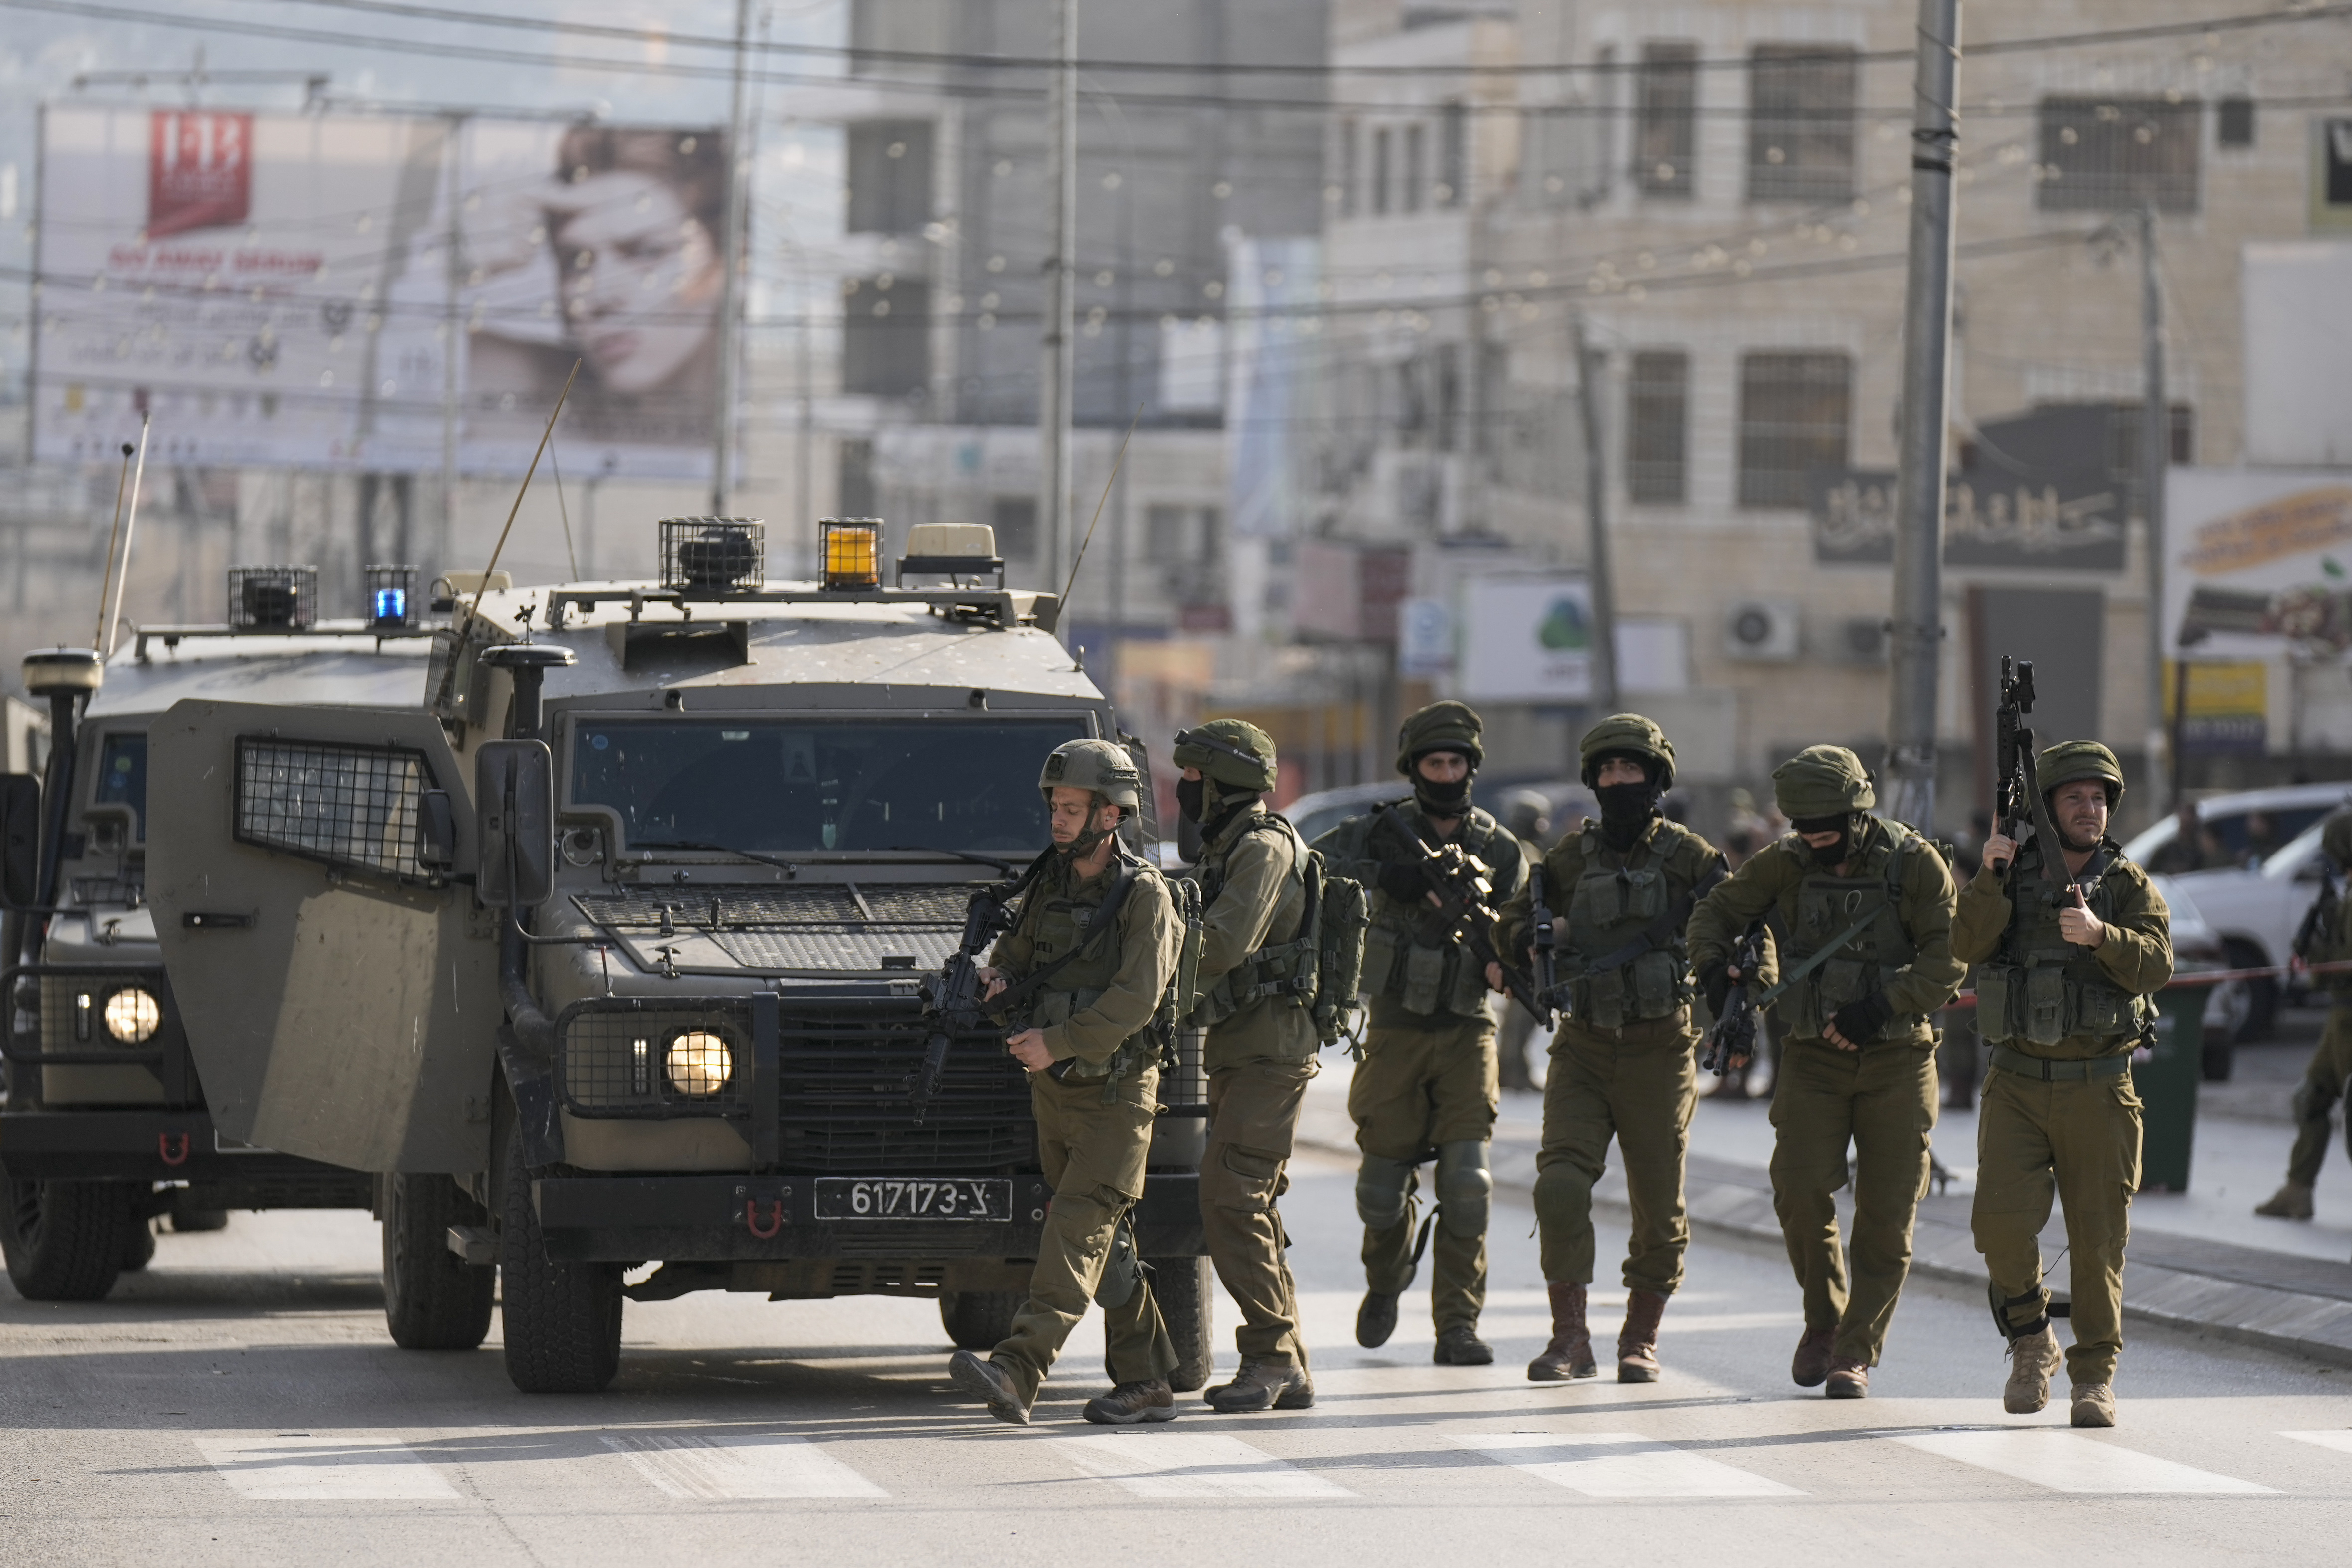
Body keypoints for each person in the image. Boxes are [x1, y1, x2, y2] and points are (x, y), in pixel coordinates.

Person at [1688, 745, 1963, 1400]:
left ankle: (1856, 1350)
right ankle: (1824, 1316)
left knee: (1887, 1210)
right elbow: (1717, 911)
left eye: (1826, 822)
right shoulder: (1785, 861)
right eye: (1802, 822)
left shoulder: (1913, 862)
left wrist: (1882, 1005)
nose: (1814, 835)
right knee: (1799, 1188)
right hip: (1812, 1055)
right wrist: (1711, 969)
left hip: (1898, 1056)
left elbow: (1953, 953)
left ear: (1858, 811)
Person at [1494, 714, 1752, 1384]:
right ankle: (1569, 1337)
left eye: (1629, 770)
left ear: (1655, 779)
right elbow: (1516, 920)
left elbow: (1743, 929)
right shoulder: (1569, 858)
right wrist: (1534, 934)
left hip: (1659, 1047)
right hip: (1582, 1045)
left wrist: (1745, 1002)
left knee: (1658, 1203)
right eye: (1606, 771)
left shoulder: (1692, 856)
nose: (1617, 781)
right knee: (1557, 1185)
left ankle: (1640, 1337)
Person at [946, 740, 1185, 1426]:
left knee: (1075, 1233)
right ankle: (1147, 1379)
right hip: (1055, 1092)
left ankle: (1018, 1369)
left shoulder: (1145, 897)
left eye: (1073, 809)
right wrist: (992, 980)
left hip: (1116, 1097)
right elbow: (1015, 959)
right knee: (1103, 1246)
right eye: (1055, 806)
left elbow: (1135, 1001)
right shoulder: (1048, 883)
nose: (1058, 819)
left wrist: (1056, 1041)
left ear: (1111, 814)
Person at [1952, 741, 2170, 1430]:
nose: (2090, 809)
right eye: (2075, 797)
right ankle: (2031, 1341)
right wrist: (1989, 873)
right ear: (2047, 808)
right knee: (1999, 1226)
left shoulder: (2128, 883)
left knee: (2099, 1238)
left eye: (2100, 798)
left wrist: (2104, 936)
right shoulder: (2013, 877)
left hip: (2100, 1086)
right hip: (2017, 1080)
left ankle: (2094, 1376)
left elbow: (2158, 963)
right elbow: (1967, 942)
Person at [1312, 702, 1525, 1365]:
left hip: (1466, 1030)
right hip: (1397, 1027)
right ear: (1414, 768)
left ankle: (1457, 1323)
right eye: (1435, 761)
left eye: (1457, 761)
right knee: (1381, 1189)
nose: (1447, 772)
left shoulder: (1499, 847)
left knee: (1467, 1182)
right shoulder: (1378, 833)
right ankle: (1385, 1280)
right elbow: (1307, 869)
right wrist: (1384, 878)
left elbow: (1520, 924)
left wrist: (1509, 960)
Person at [1176, 720, 1320, 1413]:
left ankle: (1267, 1354)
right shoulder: (1232, 845)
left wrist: (1143, 963)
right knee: (1248, 1200)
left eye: (1194, 781)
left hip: (1272, 1048)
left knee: (1230, 1198)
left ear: (1221, 785)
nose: (1185, 794)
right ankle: (1289, 1362)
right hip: (1244, 1044)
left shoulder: (1262, 847)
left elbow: (1225, 941)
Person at [2259, 810, 2352, 1221]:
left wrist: (2317, 955)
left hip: (2349, 1019)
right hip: (2341, 1019)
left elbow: (2341, 965)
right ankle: (2298, 1189)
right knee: (2311, 1095)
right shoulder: (2343, 896)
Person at [1492, 787, 1556, 1093]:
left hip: (1513, 936)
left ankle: (1513, 1067)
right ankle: (1511, 1068)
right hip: (1522, 940)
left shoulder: (1507, 846)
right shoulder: (1527, 852)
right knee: (1525, 1006)